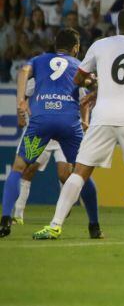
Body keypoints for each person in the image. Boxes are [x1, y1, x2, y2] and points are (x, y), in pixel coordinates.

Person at [32, 8, 124, 243]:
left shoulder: (99, 45)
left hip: (102, 115)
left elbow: (78, 79)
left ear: (117, 25)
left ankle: (54, 226)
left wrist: (96, 88)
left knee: (81, 170)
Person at [0, 29, 102, 239]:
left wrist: (20, 100)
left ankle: (5, 219)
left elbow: (22, 73)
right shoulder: (78, 65)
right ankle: (94, 226)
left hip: (41, 123)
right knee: (82, 172)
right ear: (76, 48)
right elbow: (93, 83)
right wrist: (93, 92)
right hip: (68, 125)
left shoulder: (38, 60)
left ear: (56, 44)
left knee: (19, 168)